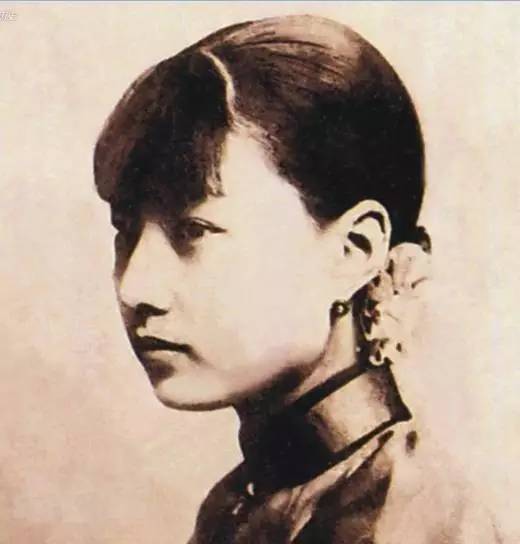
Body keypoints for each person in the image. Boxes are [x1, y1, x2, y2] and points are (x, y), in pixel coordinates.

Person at [93, 14, 502, 543]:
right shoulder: (240, 504)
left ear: (354, 251)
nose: (135, 287)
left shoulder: (404, 520)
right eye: (126, 232)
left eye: (193, 230)